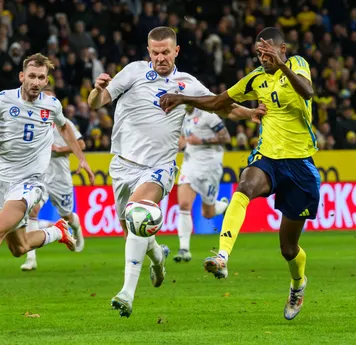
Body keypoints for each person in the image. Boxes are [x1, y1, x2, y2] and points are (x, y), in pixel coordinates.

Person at [87, 26, 264, 317]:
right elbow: (98, 103)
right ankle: (157, 256)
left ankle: (127, 293)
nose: (160, 58)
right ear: (148, 52)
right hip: (122, 165)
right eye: (155, 53)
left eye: (165, 52)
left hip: (159, 167)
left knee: (139, 212)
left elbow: (221, 107)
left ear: (176, 51)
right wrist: (97, 89)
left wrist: (250, 114)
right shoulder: (132, 72)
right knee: (132, 228)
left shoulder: (187, 84)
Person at [160, 27, 319, 320]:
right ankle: (222, 256)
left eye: (269, 52)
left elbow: (308, 92)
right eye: (260, 53)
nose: (264, 57)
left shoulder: (297, 65)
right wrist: (184, 100)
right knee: (245, 186)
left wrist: (282, 64)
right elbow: (219, 102)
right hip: (269, 157)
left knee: (288, 248)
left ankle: (298, 284)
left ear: (283, 49)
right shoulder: (256, 78)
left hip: (300, 164)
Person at [0, 53, 95, 317]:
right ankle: (57, 231)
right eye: (31, 76)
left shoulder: (52, 105)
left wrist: (82, 159)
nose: (36, 82)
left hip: (31, 182)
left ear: (46, 80)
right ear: (22, 76)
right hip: (3, 179)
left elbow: (65, 127)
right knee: (18, 248)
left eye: (41, 77)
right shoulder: (3, 100)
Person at [20, 86, 86, 271]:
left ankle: (76, 225)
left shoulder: (63, 123)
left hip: (59, 177)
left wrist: (59, 149)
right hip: (38, 175)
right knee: (32, 211)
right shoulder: (32, 122)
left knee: (66, 214)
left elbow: (81, 143)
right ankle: (31, 257)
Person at [174, 105, 230, 263]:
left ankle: (223, 207)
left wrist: (202, 141)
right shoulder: (181, 116)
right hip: (190, 164)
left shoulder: (208, 116)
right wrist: (181, 143)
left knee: (208, 213)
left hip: (210, 167)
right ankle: (184, 249)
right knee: (184, 205)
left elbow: (226, 137)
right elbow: (179, 136)